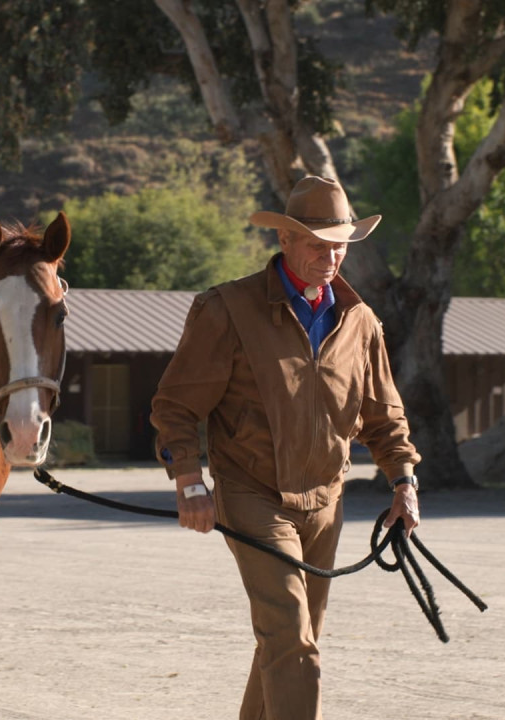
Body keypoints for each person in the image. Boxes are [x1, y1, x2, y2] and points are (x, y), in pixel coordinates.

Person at [150, 175, 422, 720]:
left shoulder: (360, 321)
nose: (331, 256)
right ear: (286, 240)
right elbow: (175, 406)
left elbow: (384, 415)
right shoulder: (227, 310)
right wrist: (190, 481)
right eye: (318, 244)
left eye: (340, 245)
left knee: (289, 641)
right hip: (252, 494)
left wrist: (404, 482)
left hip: (326, 502)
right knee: (293, 641)